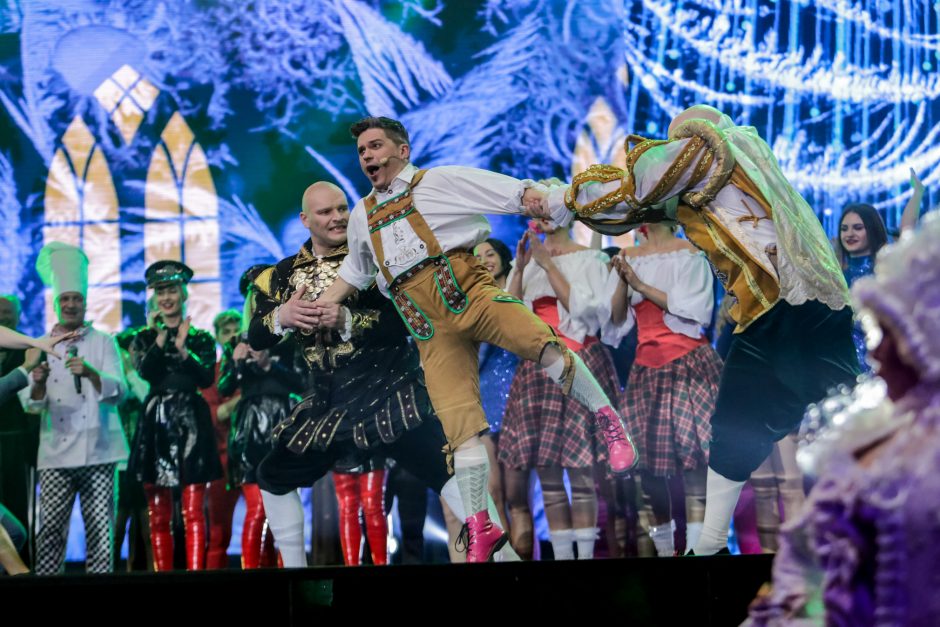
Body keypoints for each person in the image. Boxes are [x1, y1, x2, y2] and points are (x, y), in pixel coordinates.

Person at [307, 116, 636, 562]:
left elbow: (509, 193)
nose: (367, 156)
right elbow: (357, 271)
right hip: (425, 322)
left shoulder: (439, 181)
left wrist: (545, 198)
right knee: (459, 427)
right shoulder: (363, 213)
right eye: (362, 150)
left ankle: (607, 418)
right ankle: (480, 525)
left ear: (402, 150)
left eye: (375, 146)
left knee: (543, 344)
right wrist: (321, 304)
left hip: (468, 291)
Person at [537, 104, 859, 555]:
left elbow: (634, 191)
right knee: (821, 424)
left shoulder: (706, 148)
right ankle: (712, 547)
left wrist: (560, 198)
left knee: (750, 430)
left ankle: (712, 547)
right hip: (813, 308)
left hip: (780, 310)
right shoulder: (747, 157)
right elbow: (632, 211)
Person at [250, 181, 513, 567]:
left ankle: (510, 563)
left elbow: (408, 320)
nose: (338, 217)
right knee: (272, 476)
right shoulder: (281, 274)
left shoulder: (376, 258)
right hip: (329, 403)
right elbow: (255, 334)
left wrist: (349, 320)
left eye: (342, 208)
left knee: (451, 476)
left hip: (390, 393)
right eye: (326, 212)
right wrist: (281, 316)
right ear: (306, 220)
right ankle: (296, 576)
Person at [747, 212, 940, 625]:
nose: (877, 350)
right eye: (876, 331)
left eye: (892, 333)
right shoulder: (860, 439)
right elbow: (806, 564)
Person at [499, 216, 619, 561]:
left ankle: (586, 558)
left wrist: (548, 265)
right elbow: (510, 318)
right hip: (539, 371)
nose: (541, 219)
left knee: (582, 475)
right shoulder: (527, 259)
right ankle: (563, 561)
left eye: (548, 209)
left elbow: (588, 312)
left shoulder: (588, 258)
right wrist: (520, 268)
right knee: (549, 475)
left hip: (579, 362)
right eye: (536, 211)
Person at [606, 222, 721, 556]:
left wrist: (639, 282)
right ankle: (665, 552)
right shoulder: (631, 256)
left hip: (687, 363)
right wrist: (622, 282)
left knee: (696, 462)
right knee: (651, 470)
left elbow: (696, 311)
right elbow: (616, 321)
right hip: (646, 368)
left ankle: (701, 555)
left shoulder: (691, 254)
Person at [19, 242, 128, 574]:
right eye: (64, 299)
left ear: (84, 302)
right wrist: (37, 382)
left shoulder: (103, 342)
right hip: (54, 453)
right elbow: (31, 404)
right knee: (49, 532)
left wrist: (93, 374)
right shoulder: (41, 344)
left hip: (99, 450)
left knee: (101, 532)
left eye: (76, 299)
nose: (70, 304)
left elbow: (120, 392)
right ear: (55, 304)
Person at [128, 261, 222, 571]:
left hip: (192, 421)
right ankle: (162, 577)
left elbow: (207, 379)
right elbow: (145, 372)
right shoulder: (143, 337)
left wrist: (183, 349)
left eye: (172, 290)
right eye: (161, 292)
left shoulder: (202, 338)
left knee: (194, 508)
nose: (167, 297)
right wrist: (158, 339)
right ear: (155, 298)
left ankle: (195, 575)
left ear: (183, 294)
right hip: (156, 420)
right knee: (158, 510)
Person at [219, 267, 305, 568]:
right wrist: (236, 362)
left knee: (284, 503)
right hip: (248, 429)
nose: (260, 302)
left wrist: (271, 366)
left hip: (283, 423)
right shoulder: (237, 341)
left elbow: (303, 383)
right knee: (256, 508)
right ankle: (252, 574)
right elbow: (223, 387)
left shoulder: (293, 339)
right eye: (256, 297)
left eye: (267, 296)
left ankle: (288, 573)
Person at [203, 309, 242, 569]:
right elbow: (215, 414)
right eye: (225, 332)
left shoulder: (257, 365)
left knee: (268, 526)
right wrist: (248, 394)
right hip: (223, 459)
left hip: (254, 456)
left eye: (235, 330)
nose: (231, 336)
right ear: (217, 338)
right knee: (218, 531)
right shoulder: (212, 373)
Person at [835, 203, 889, 372]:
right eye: (844, 229)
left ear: (872, 230)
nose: (849, 234)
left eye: (857, 228)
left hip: (875, 368)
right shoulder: (833, 277)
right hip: (838, 368)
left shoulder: (884, 276)